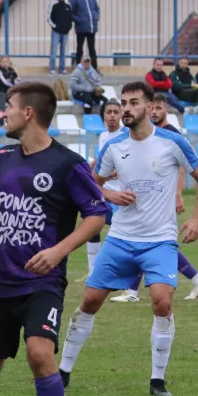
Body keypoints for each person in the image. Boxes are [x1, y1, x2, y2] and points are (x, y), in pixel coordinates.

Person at [0, 82, 106, 396]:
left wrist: (59, 251)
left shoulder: (67, 164)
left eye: (8, 106)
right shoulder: (2, 159)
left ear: (28, 113)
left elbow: (96, 214)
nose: (3, 113)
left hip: (42, 282)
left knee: (40, 353)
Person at [59, 81, 198, 396]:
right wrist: (110, 193)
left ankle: (157, 381)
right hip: (121, 239)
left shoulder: (172, 142)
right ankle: (62, 373)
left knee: (162, 301)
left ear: (147, 106)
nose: (126, 109)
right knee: (89, 302)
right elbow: (91, 180)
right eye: (123, 103)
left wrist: (196, 218)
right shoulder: (114, 146)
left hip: (160, 241)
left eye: (132, 103)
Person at [109, 93, 198, 303]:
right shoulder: (142, 133)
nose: (155, 112)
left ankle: (133, 290)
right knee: (150, 242)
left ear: (166, 110)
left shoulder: (170, 134)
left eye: (159, 108)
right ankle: (196, 279)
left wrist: (177, 194)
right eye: (152, 108)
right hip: (146, 196)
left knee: (151, 242)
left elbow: (182, 169)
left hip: (162, 197)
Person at [82, 99, 126, 279]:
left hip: (120, 196)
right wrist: (86, 170)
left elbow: (124, 167)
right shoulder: (104, 136)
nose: (113, 116)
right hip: (104, 193)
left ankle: (126, 276)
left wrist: (100, 177)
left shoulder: (126, 136)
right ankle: (93, 270)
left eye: (116, 112)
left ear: (121, 114)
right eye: (109, 112)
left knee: (125, 237)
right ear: (103, 116)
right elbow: (101, 160)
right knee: (92, 227)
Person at [70, 0, 99, 67]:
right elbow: (71, 13)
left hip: (91, 28)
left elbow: (97, 9)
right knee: (79, 48)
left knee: (92, 49)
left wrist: (96, 17)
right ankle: (78, 67)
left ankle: (94, 68)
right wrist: (79, 20)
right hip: (81, 28)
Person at [47, 0, 73, 74]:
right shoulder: (53, 4)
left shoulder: (68, 5)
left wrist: (69, 27)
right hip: (56, 32)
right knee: (54, 50)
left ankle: (62, 69)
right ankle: (52, 69)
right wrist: (55, 26)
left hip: (65, 32)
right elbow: (48, 18)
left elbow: (70, 18)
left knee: (63, 51)